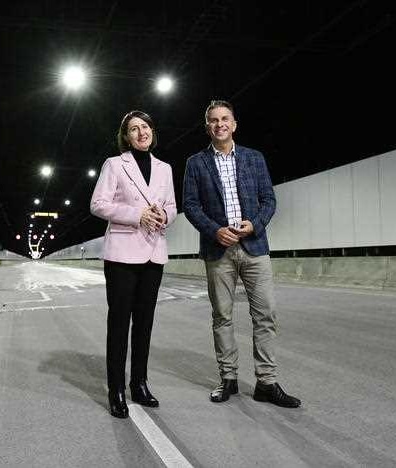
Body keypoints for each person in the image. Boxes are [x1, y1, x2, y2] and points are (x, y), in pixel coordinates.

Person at [182, 100, 301, 408]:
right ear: (207, 126)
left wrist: (255, 224)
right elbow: (191, 206)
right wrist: (214, 230)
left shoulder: (254, 158)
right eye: (213, 120)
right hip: (217, 249)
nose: (219, 124)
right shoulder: (195, 163)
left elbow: (268, 200)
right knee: (222, 316)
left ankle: (267, 383)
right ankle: (228, 379)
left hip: (254, 246)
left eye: (224, 119)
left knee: (265, 315)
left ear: (234, 124)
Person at [90, 110, 177, 418]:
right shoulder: (115, 165)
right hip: (122, 254)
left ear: (152, 131)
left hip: (154, 252)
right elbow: (98, 204)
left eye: (146, 127)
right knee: (119, 323)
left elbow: (171, 207)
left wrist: (164, 216)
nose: (141, 132)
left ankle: (139, 383)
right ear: (126, 137)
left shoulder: (164, 168)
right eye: (134, 129)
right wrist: (136, 214)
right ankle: (116, 389)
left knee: (145, 323)